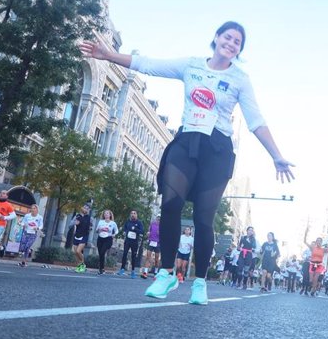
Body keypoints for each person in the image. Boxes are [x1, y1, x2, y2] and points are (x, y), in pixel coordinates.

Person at [80, 21, 294, 305]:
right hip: (187, 141)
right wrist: (108, 55)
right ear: (216, 38)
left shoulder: (240, 79)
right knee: (170, 204)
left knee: (203, 218)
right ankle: (166, 273)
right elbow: (149, 64)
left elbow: (256, 121)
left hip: (217, 149)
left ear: (239, 50)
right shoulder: (192, 65)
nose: (231, 44)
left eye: (237, 42)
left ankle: (200, 282)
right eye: (228, 37)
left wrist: (276, 156)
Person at [120, 210, 144, 278]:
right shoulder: (128, 221)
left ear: (136, 215)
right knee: (124, 254)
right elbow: (124, 228)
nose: (133, 214)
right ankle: (122, 269)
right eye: (131, 213)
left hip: (135, 242)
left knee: (133, 256)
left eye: (134, 213)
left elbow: (142, 231)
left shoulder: (139, 223)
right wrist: (124, 231)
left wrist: (135, 229)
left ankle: (133, 271)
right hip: (127, 241)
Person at [95, 209, 118, 274]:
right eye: (105, 213)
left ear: (110, 215)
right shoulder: (101, 222)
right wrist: (100, 229)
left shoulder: (113, 223)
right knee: (100, 254)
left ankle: (101, 268)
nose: (106, 214)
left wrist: (114, 234)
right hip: (100, 238)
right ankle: (101, 268)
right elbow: (96, 230)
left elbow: (116, 231)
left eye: (107, 213)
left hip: (108, 239)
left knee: (102, 252)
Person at [72, 204, 92, 273]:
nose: (85, 209)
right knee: (75, 253)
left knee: (78, 251)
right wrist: (75, 225)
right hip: (77, 235)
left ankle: (83, 264)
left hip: (84, 236)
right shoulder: (78, 216)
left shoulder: (88, 217)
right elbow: (76, 223)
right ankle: (79, 266)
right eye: (84, 207)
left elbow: (89, 226)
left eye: (87, 208)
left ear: (89, 210)